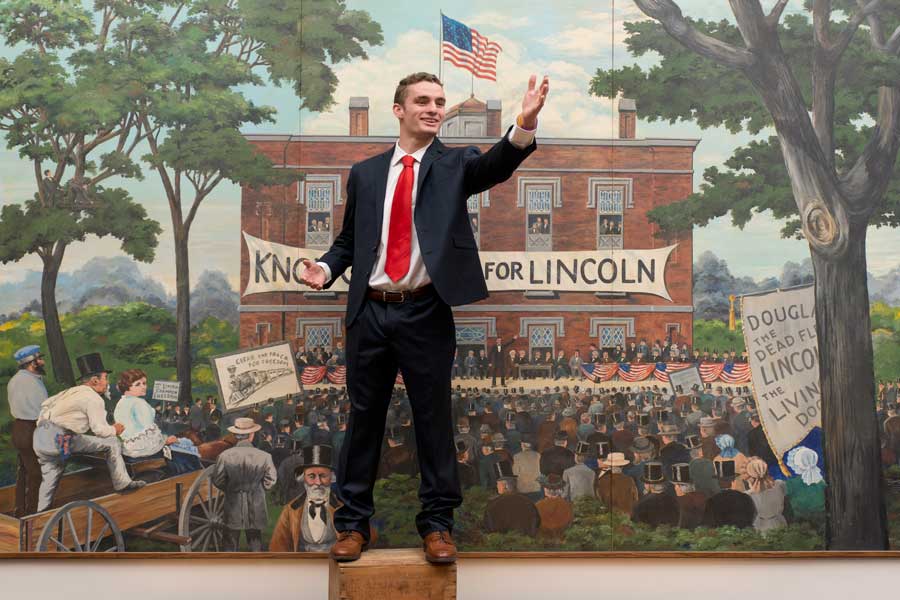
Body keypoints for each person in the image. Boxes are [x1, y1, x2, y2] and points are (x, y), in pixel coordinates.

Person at [299, 71, 549, 563]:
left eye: (440, 101)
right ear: (399, 110)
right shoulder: (366, 173)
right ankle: (352, 525)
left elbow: (497, 166)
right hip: (369, 311)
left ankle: (437, 525)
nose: (434, 108)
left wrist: (524, 122)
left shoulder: (456, 164)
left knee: (433, 421)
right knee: (364, 421)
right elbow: (351, 241)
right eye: (423, 101)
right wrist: (325, 267)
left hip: (426, 312)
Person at [32, 353, 146, 512]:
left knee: (51, 475)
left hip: (39, 437)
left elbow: (45, 405)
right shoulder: (93, 398)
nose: (107, 383)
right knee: (112, 443)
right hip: (61, 437)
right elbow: (100, 430)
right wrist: (115, 429)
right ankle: (122, 483)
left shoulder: (71, 391)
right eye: (105, 378)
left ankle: (40, 514)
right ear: (95, 380)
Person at [114, 369, 201, 475]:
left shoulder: (121, 403)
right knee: (188, 453)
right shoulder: (139, 403)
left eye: (144, 383)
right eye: (138, 384)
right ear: (127, 387)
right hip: (146, 451)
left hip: (129, 450)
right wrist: (165, 440)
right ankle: (192, 479)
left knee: (180, 443)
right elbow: (149, 432)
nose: (143, 386)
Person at [210, 417, 277, 552]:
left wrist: (231, 488)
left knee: (230, 541)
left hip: (233, 503)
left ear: (235, 435)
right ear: (252, 435)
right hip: (256, 503)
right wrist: (259, 489)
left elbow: (217, 480)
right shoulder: (264, 456)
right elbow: (271, 480)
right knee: (255, 541)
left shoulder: (224, 456)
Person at [269, 445, 341, 552]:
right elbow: (277, 546)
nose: (318, 483)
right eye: (311, 476)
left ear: (332, 477)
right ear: (303, 478)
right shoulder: (291, 509)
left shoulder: (343, 507)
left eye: (323, 476)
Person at [7, 345, 48, 516]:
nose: (43, 362)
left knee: (24, 471)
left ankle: (20, 509)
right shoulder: (31, 382)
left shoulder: (16, 380)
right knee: (36, 473)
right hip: (31, 429)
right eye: (39, 359)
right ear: (32, 363)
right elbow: (43, 409)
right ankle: (32, 514)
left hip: (19, 428)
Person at [743, 457, 787, 532]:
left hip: (761, 528)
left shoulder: (748, 495)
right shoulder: (780, 484)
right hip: (780, 523)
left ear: (749, 477)